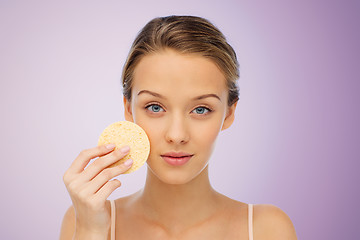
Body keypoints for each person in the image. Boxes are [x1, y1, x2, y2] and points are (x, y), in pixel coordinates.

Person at [60, 15, 297, 240]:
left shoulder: (266, 228)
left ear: (229, 113)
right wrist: (90, 231)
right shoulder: (85, 219)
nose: (176, 135)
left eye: (201, 109)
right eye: (155, 107)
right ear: (129, 110)